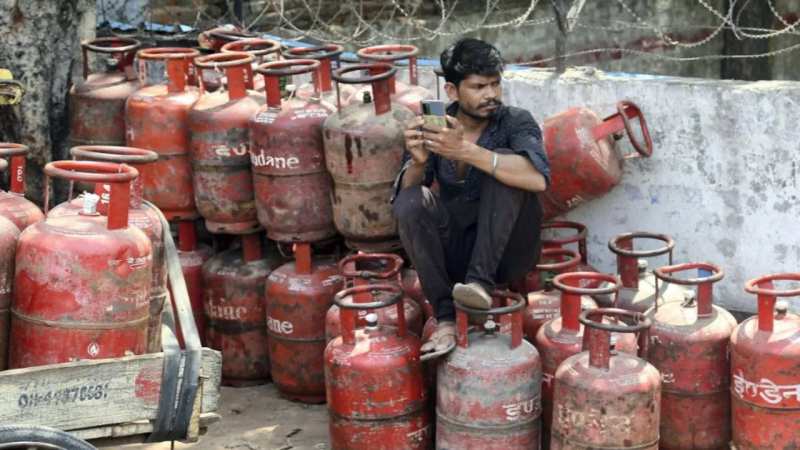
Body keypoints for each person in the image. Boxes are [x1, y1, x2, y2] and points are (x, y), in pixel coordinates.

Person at [390, 37, 550, 354]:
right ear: (452, 91)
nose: (491, 94)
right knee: (410, 199)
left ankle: (480, 287)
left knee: (505, 165)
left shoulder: (516, 121)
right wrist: (419, 163)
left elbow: (537, 179)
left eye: (495, 84)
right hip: (458, 252)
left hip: (509, 251)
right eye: (478, 87)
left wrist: (466, 151)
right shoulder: (437, 126)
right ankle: (445, 319)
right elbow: (404, 203)